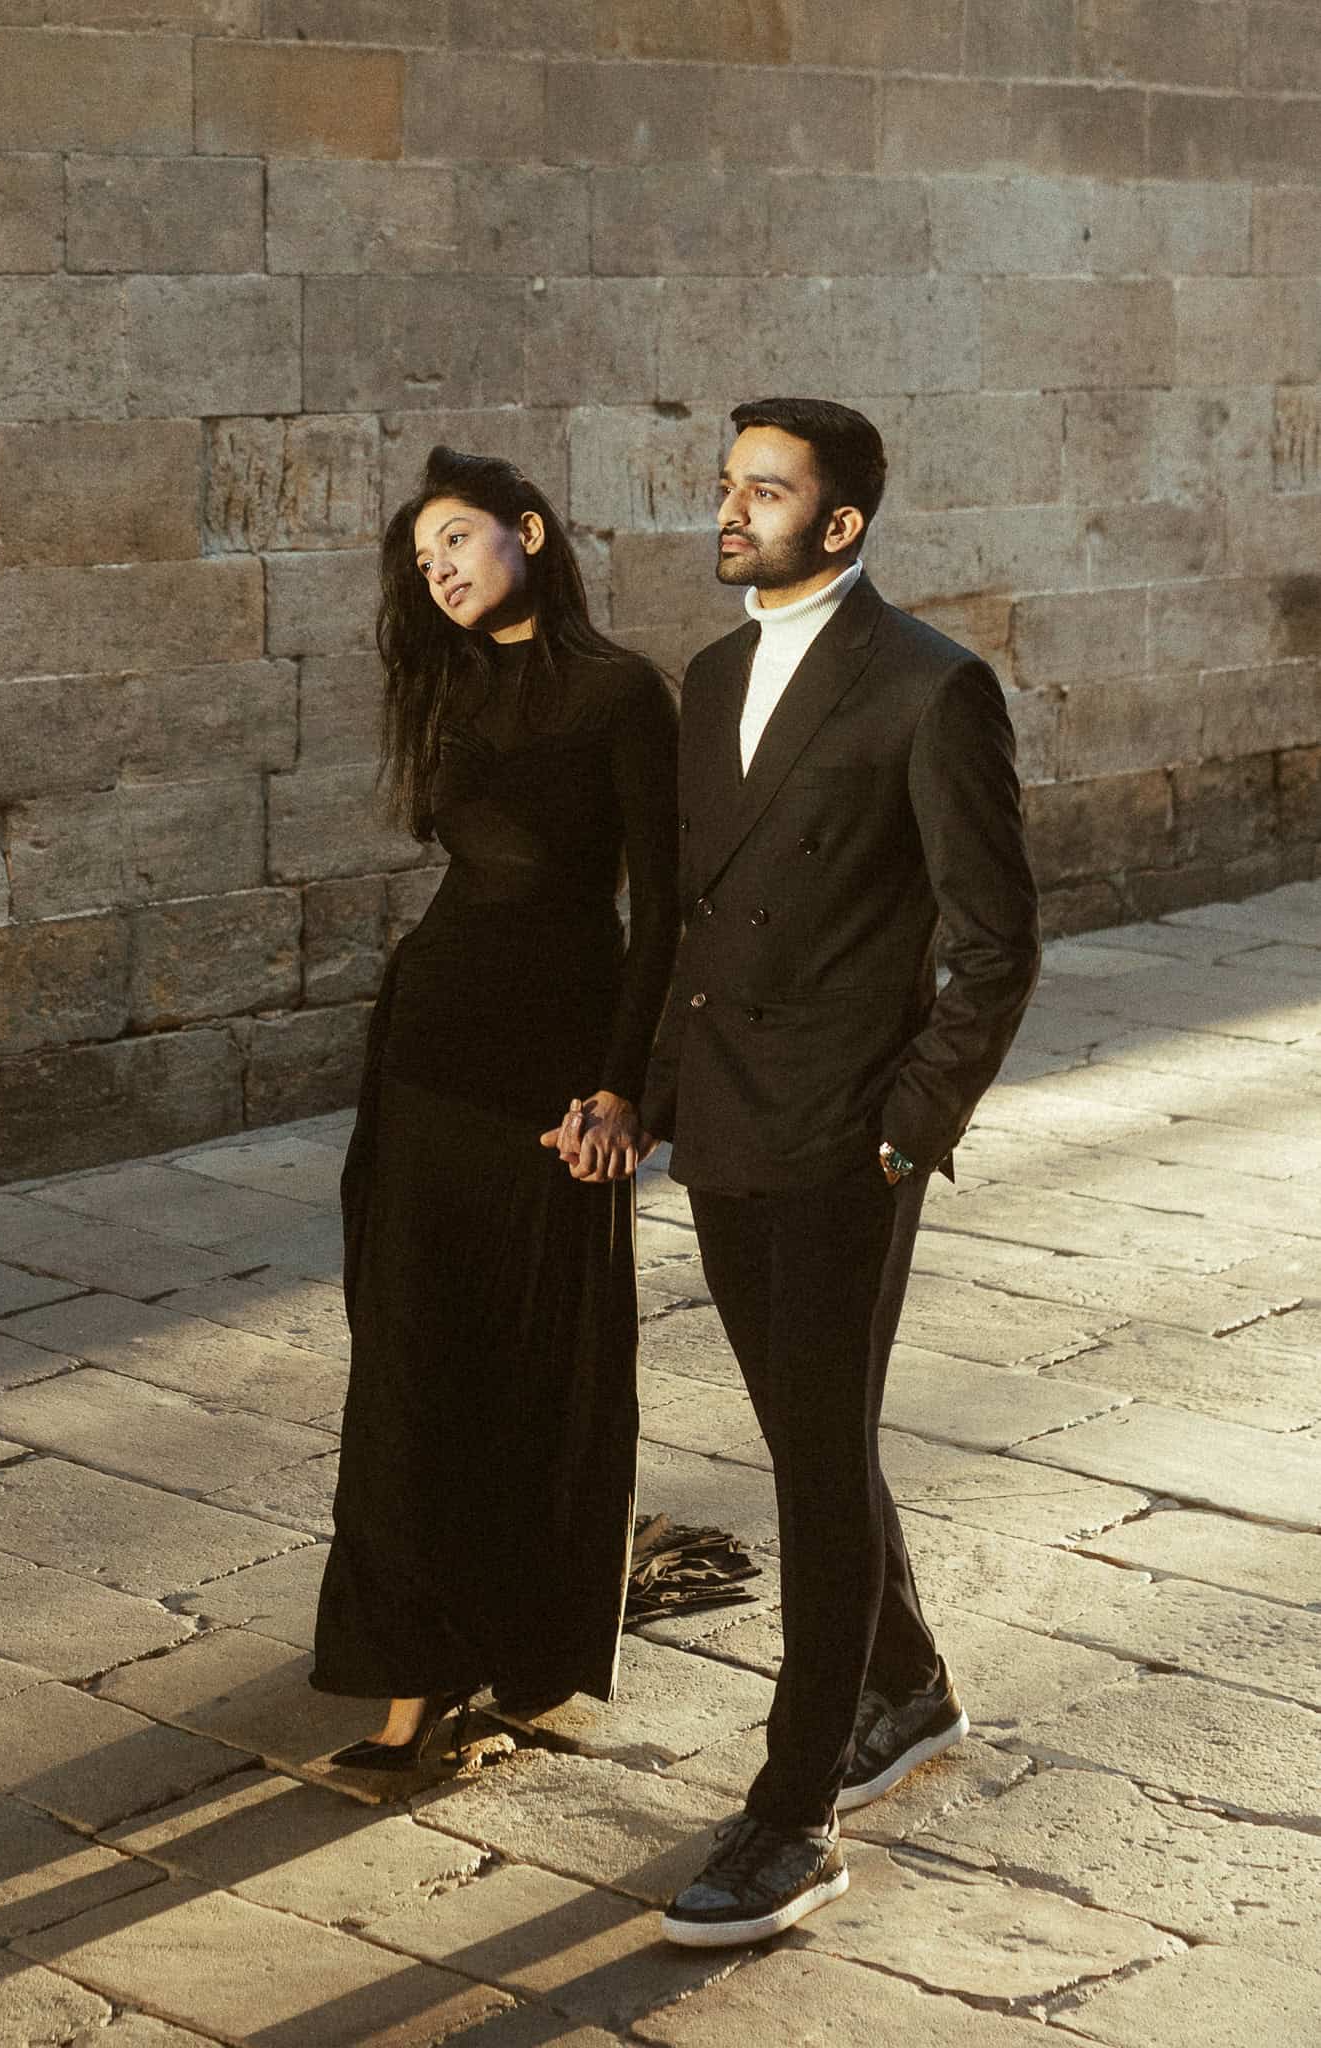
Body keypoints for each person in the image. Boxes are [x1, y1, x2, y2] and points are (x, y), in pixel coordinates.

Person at [638, 397, 1041, 1944]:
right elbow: (689, 914)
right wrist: (655, 1092)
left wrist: (905, 1127)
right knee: (810, 1430)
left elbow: (996, 943)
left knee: (809, 1465)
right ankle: (905, 1683)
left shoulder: (931, 690)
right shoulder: (717, 673)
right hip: (729, 1123)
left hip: (842, 1142)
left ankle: (790, 1813)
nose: (730, 509)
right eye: (726, 482)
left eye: (764, 490)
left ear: (842, 524)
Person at [310, 445, 679, 1764]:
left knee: (532, 1371)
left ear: (528, 530)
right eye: (422, 560)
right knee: (408, 1365)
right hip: (422, 1060)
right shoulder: (446, 690)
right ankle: (413, 1676)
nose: (441, 570)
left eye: (457, 540)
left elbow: (660, 915)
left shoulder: (622, 693)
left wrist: (626, 1087)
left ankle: (521, 1655)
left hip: (551, 1078)